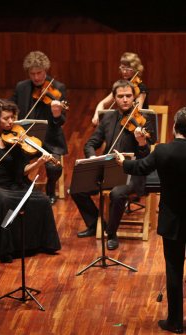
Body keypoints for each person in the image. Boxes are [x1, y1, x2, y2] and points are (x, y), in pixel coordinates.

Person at [115, 107, 186, 334]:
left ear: (174, 126)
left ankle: (174, 322)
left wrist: (121, 163)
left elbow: (141, 167)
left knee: (173, 270)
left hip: (171, 220)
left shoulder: (163, 151)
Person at [0, 99, 61, 263]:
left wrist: (39, 162)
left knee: (41, 200)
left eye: (12, 117)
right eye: (6, 118)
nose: (10, 121)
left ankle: (38, 244)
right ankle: (6, 248)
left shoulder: (16, 140)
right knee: (3, 200)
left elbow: (24, 172)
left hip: (13, 183)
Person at [71, 79, 155, 250]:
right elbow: (90, 144)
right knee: (77, 188)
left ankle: (111, 233)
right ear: (115, 98)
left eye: (128, 96)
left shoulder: (144, 120)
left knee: (117, 193)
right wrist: (93, 158)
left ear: (134, 98)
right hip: (107, 170)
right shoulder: (108, 118)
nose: (125, 100)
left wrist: (141, 142)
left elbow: (145, 156)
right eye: (121, 96)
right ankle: (95, 223)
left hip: (133, 172)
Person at [11, 51, 67, 204]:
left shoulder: (57, 88)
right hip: (26, 138)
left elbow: (61, 121)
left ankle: (50, 188)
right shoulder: (21, 87)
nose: (36, 77)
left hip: (50, 139)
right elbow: (11, 107)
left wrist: (56, 114)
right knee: (11, 159)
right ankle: (24, 188)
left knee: (54, 167)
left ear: (46, 70)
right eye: (32, 73)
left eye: (39, 73)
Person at [91, 52, 148, 126]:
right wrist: (96, 116)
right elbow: (102, 103)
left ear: (135, 69)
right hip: (123, 122)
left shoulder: (141, 88)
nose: (124, 72)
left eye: (128, 69)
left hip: (136, 125)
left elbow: (137, 112)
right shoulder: (121, 86)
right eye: (122, 68)